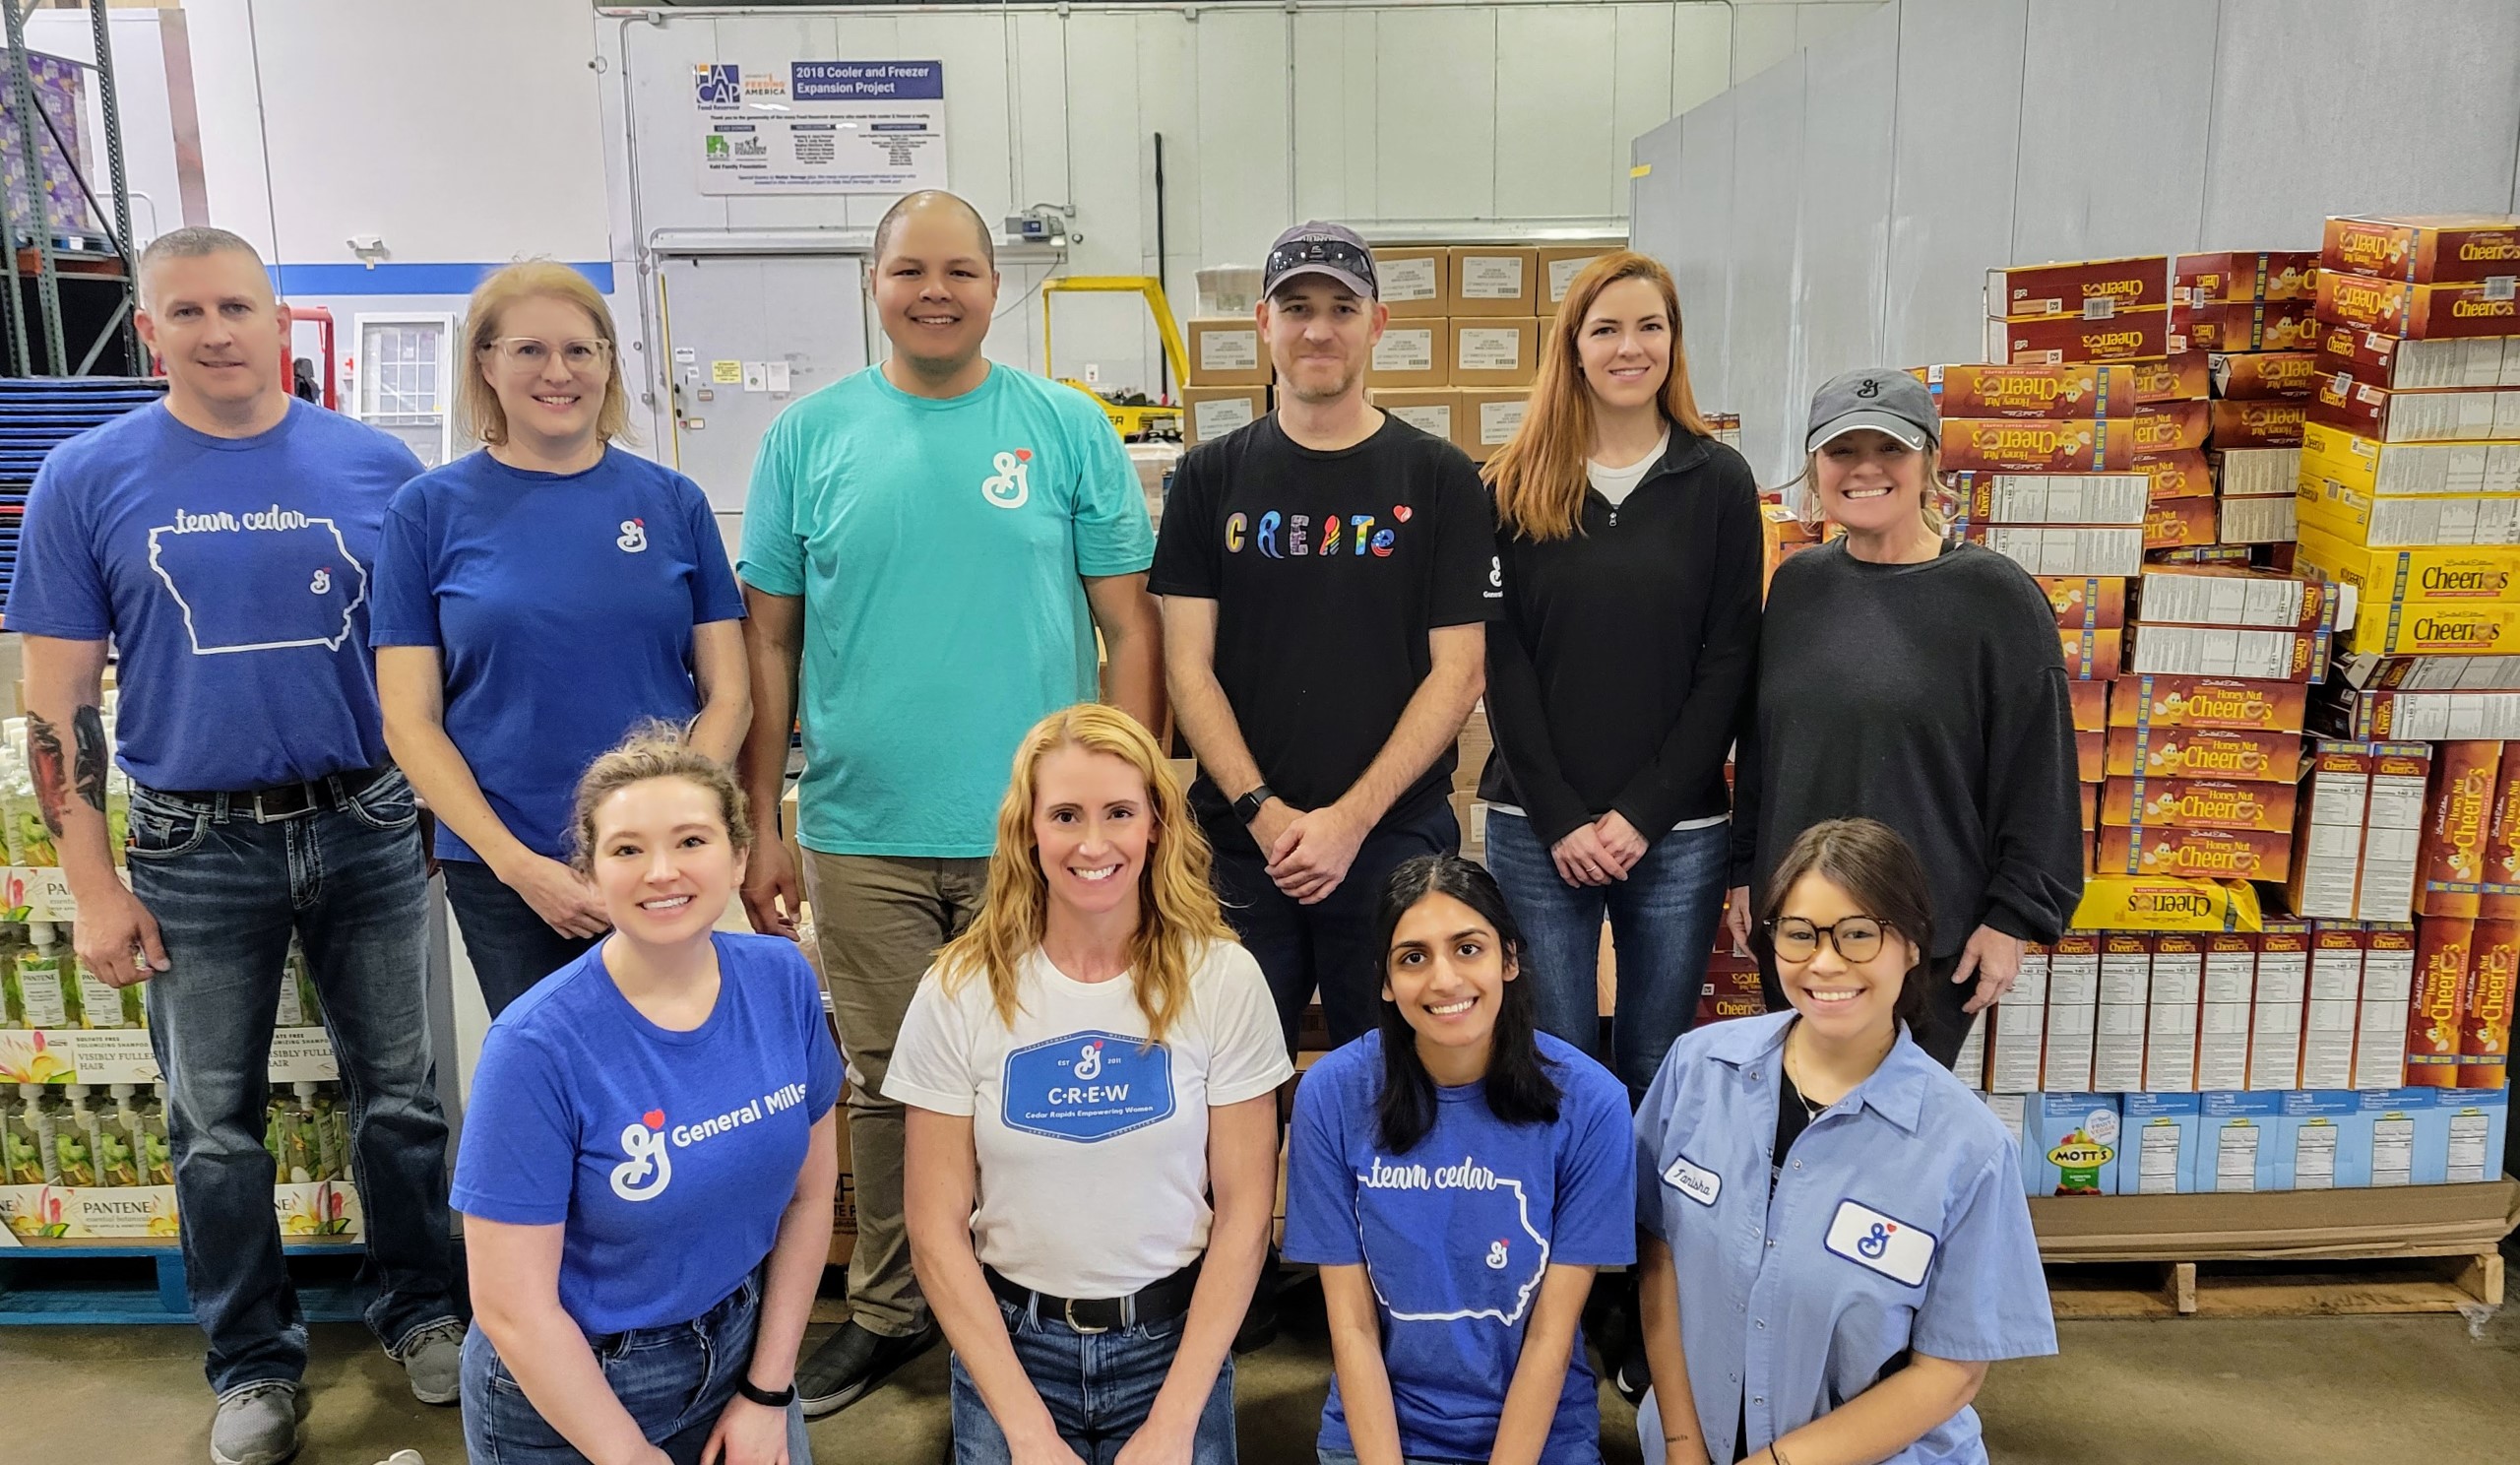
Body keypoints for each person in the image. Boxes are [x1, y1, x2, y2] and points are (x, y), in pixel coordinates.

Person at [7, 226, 463, 1465]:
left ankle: (424, 1311)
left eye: (238, 307)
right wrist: (91, 889)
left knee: (404, 1104)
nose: (217, 332)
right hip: (191, 843)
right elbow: (56, 709)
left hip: (366, 822)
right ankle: (252, 1363)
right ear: (149, 330)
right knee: (213, 1124)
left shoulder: (378, 465)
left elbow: (423, 668)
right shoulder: (88, 478)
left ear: (278, 319)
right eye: (187, 312)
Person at [737, 188, 1165, 1414]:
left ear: (995, 284)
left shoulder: (1065, 427)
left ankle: (1030, 1294)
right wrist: (763, 814)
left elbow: (1124, 622)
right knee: (887, 1080)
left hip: (1041, 839)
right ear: (873, 283)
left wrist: (1127, 801)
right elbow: (770, 644)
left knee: (1045, 1064)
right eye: (910, 269)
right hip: (863, 829)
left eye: (961, 270)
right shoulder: (807, 438)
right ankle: (889, 1306)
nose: (937, 290)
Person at [890, 703, 1288, 1464]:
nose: (1094, 843)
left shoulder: (1224, 979)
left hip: (1175, 1350)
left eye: (1119, 813)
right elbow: (935, 1232)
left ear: (1155, 828)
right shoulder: (959, 988)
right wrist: (1028, 1432)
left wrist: (1174, 1423)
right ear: (1028, 832)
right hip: (1009, 1353)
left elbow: (1245, 1218)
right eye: (1066, 814)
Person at [1151, 222, 1498, 1052]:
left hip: (1392, 843)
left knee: (1397, 1087)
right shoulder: (1208, 477)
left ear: (1377, 325)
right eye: (1296, 306)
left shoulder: (1440, 477)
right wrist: (1266, 814)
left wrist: (1348, 822)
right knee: (1225, 1091)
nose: (1318, 328)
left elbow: (1459, 673)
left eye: (1342, 307)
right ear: (1263, 325)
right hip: (1242, 848)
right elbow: (1186, 666)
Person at [453, 727, 838, 1465]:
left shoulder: (780, 981)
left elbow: (810, 1199)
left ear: (739, 858)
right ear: (591, 876)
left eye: (691, 840)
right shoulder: (535, 1049)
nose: (662, 872)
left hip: (744, 1346)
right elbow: (513, 1308)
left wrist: (767, 1391)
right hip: (573, 1387)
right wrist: (626, 1454)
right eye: (627, 850)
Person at [374, 260, 748, 1018]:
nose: (559, 372)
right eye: (529, 350)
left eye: (582, 350)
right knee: (551, 1086)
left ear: (610, 364)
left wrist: (668, 838)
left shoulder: (672, 503)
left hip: (662, 867)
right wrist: (518, 867)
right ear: (485, 361)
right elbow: (409, 720)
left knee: (673, 1073)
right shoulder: (427, 512)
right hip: (507, 868)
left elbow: (730, 694)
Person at [1636, 818, 2056, 1465]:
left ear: (1914, 944)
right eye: (1800, 935)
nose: (1825, 962)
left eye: (1859, 934)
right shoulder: (1697, 1070)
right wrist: (1682, 1443)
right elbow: (1659, 1256)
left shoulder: (1965, 1149)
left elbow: (1951, 1373)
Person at [1726, 369, 2081, 1068]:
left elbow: (2040, 774)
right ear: (1814, 469)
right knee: (1801, 1123)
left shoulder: (1995, 597)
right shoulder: (1798, 585)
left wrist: (2011, 918)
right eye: (1841, 452)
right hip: (1800, 933)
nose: (1865, 469)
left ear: (1930, 463)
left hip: (1926, 938)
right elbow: (1767, 748)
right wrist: (1746, 870)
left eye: (1889, 449)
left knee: (1896, 1144)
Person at [1479, 250, 1760, 1103]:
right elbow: (1501, 661)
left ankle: (1650, 1234)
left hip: (1677, 834)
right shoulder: (1510, 485)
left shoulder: (1716, 482)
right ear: (1573, 348)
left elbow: (1728, 662)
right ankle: (1572, 1235)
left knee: (1656, 1063)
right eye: (1606, 329)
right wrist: (1564, 818)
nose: (1628, 347)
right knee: (1554, 1065)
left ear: (1674, 343)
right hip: (1536, 829)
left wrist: (1643, 813)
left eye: (1650, 326)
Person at [1284, 854, 1633, 1465]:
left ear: (1510, 959)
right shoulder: (1332, 1093)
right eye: (1413, 957)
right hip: (1380, 1432)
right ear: (1387, 983)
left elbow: (1551, 1336)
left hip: (1536, 1435)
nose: (1444, 980)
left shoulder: (1592, 1101)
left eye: (1468, 948)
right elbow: (1353, 1328)